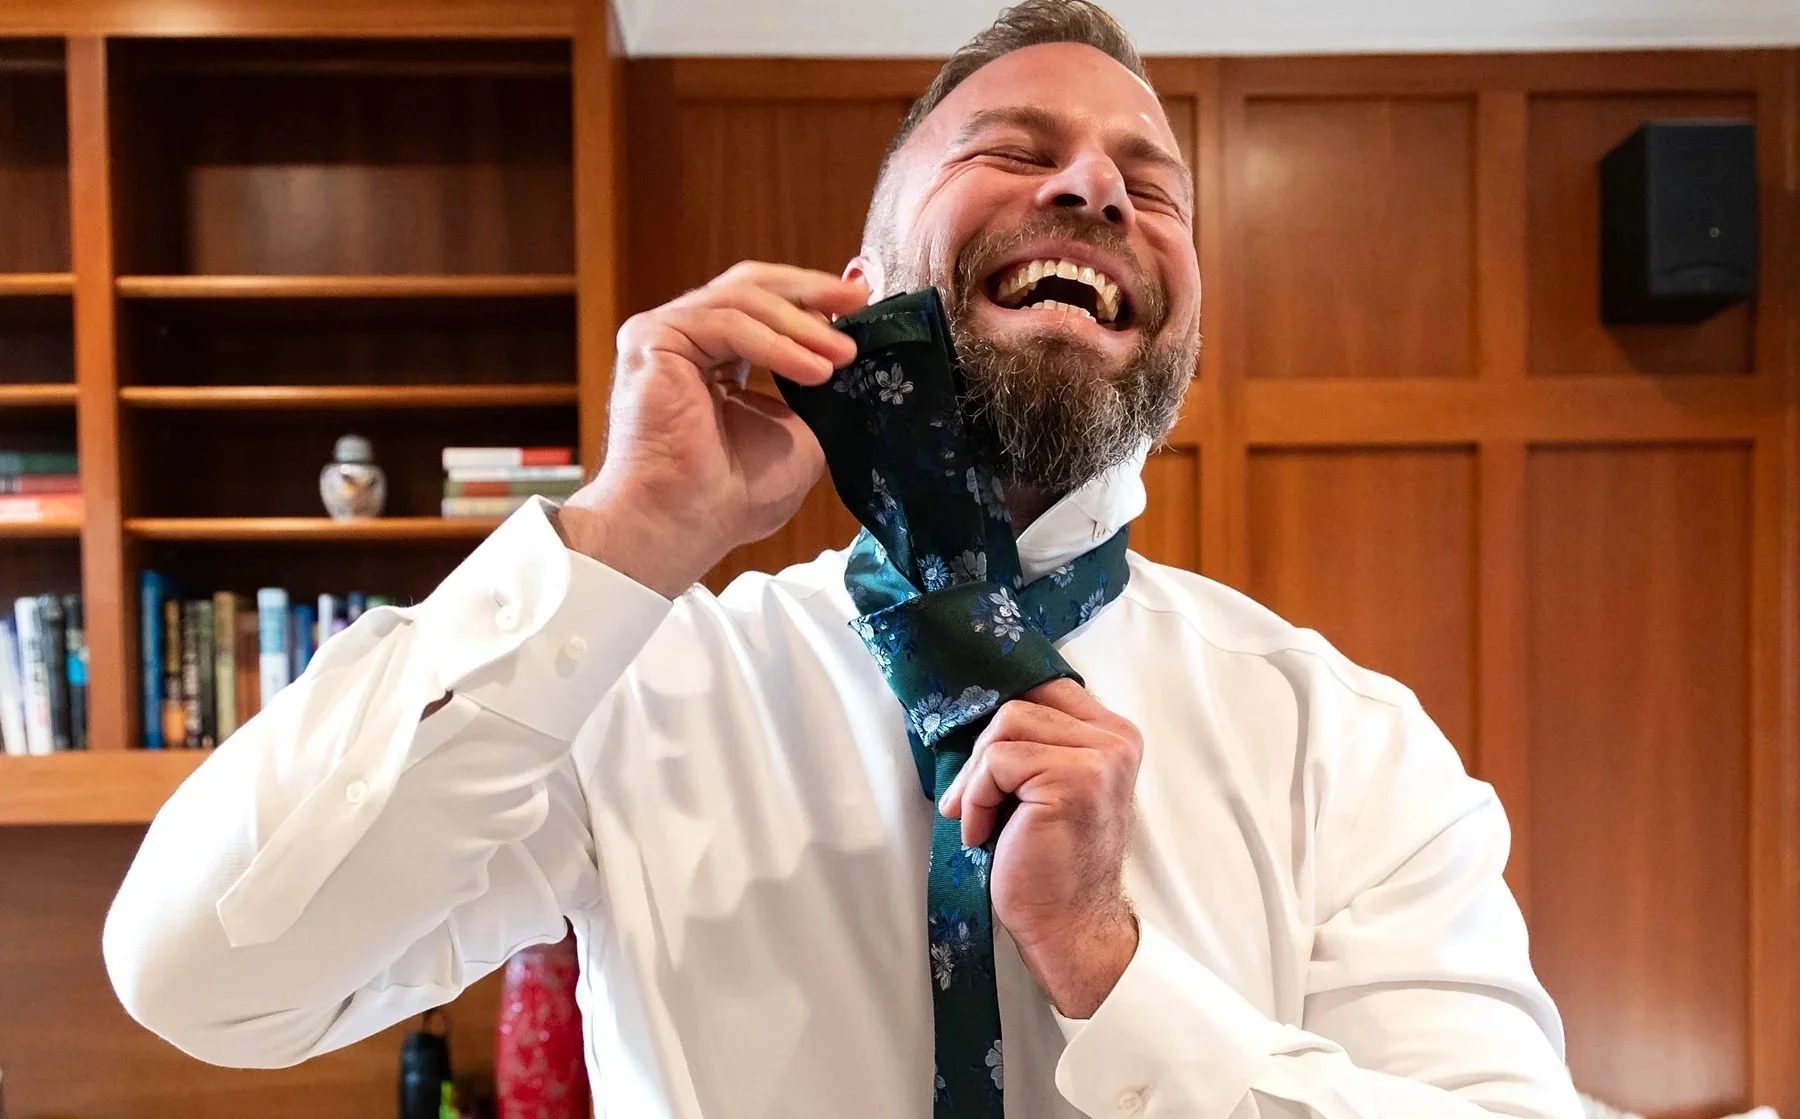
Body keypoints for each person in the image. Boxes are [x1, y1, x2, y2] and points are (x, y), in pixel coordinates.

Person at [102, 3, 1584, 1117]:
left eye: (1153, 178)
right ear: (857, 290)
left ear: (1178, 327)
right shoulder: (641, 688)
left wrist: (1115, 971)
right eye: (1017, 150)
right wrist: (625, 540)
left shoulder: (1349, 739)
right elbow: (211, 979)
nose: (1096, 190)